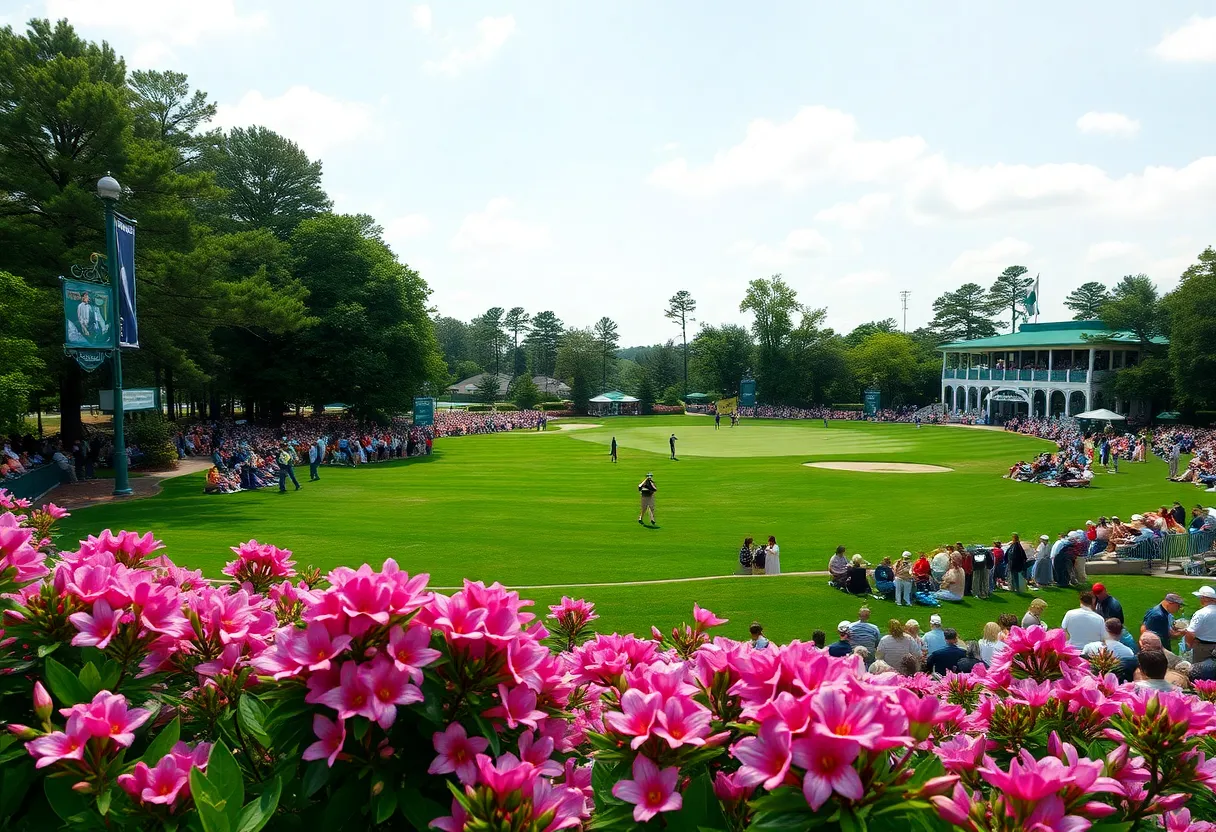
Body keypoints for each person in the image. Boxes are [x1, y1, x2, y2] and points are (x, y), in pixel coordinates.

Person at [1186, 585, 1216, 663]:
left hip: (1203, 647)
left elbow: (1190, 632)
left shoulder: (1201, 613)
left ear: (1204, 598)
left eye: (1201, 598)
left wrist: (1189, 645)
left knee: (1199, 671)